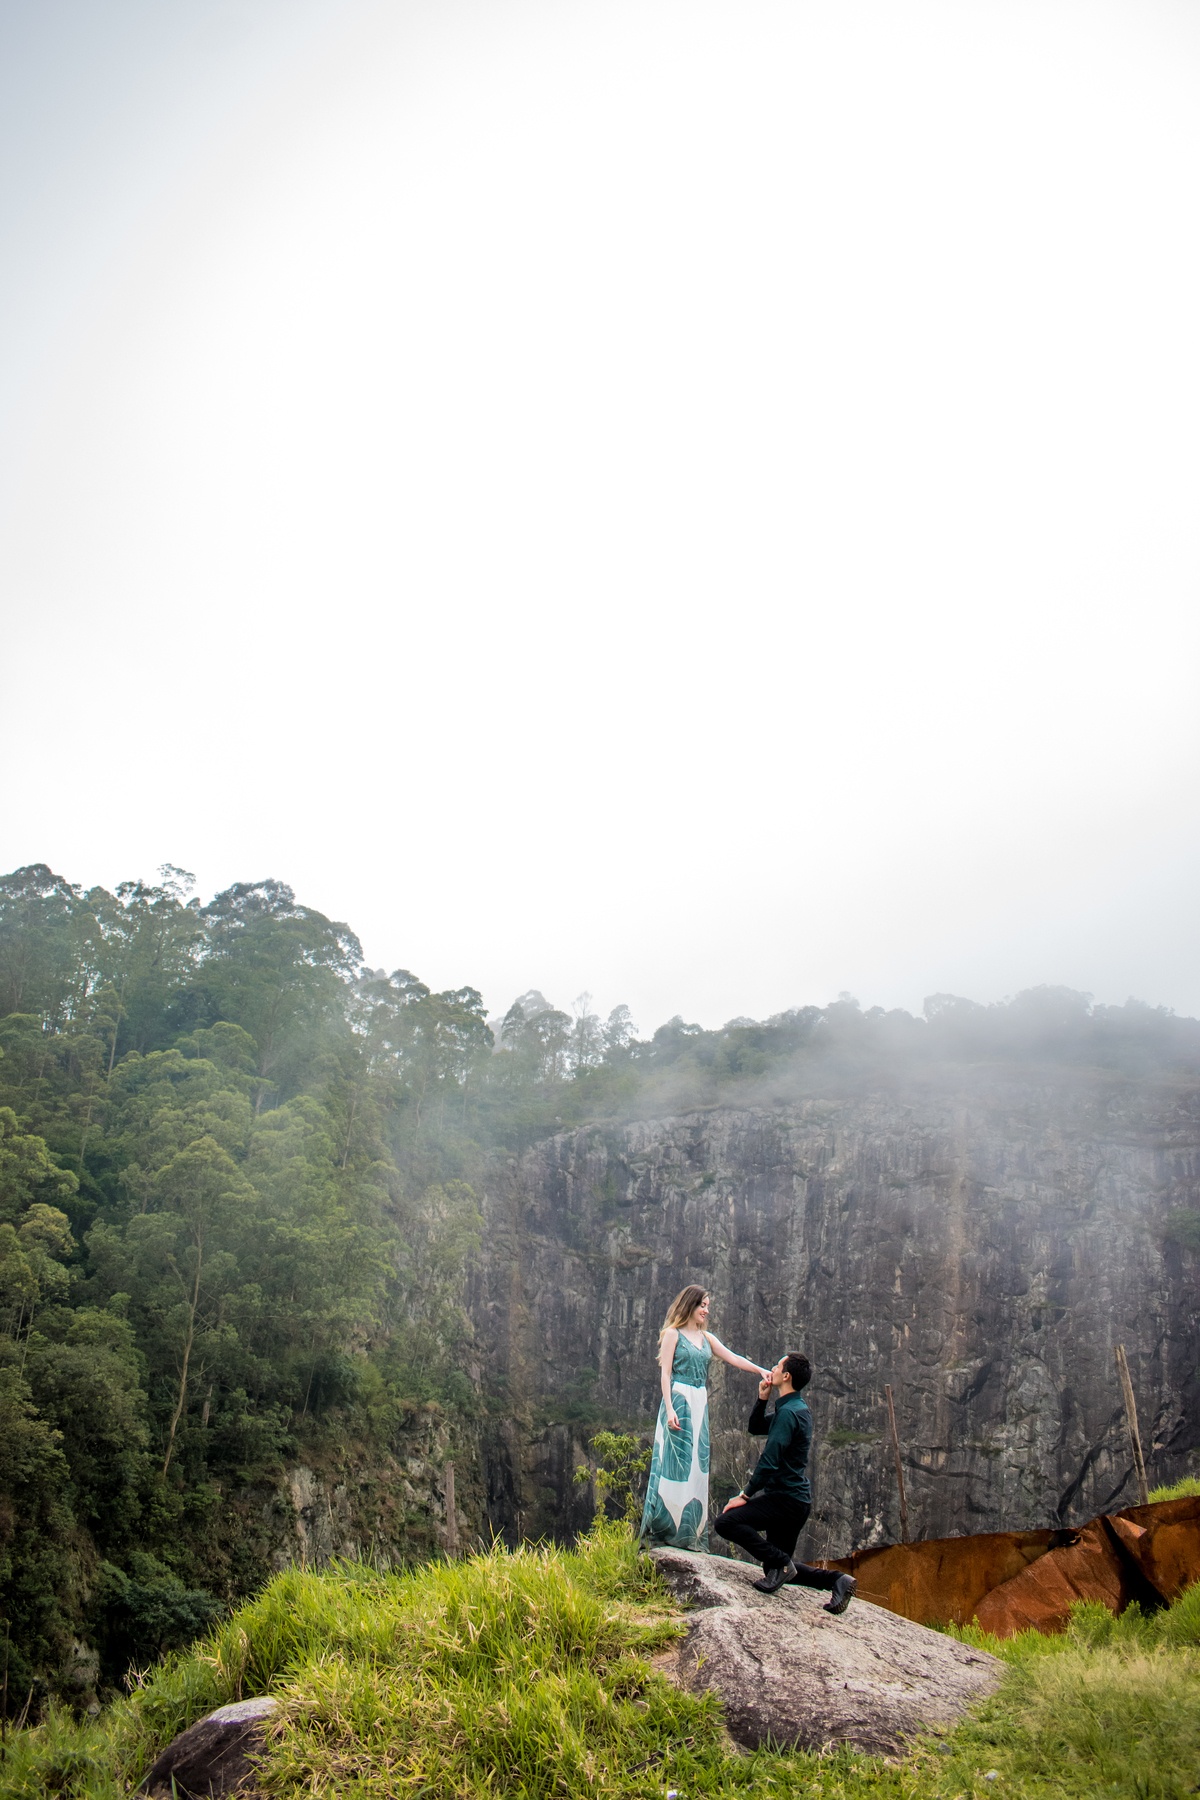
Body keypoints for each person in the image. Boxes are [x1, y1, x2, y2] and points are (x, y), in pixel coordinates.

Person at [713, 1353, 856, 1612]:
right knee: (775, 1567)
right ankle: (837, 1580)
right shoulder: (794, 1409)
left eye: (778, 1366)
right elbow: (756, 1427)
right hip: (795, 1502)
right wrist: (762, 1398)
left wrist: (745, 1495)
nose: (773, 1368)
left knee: (725, 1522)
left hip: (784, 1500)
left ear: (786, 1375)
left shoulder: (789, 1414)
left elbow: (770, 1460)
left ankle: (784, 1565)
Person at [638, 1285, 770, 1551]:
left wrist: (760, 1370)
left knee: (696, 1468)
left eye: (708, 1306)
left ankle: (688, 1534)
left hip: (699, 1402)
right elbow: (665, 1374)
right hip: (679, 1399)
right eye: (703, 1305)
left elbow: (733, 1358)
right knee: (673, 1465)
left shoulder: (707, 1338)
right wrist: (670, 1409)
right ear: (691, 1304)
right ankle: (663, 1530)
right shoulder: (672, 1334)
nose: (706, 1310)